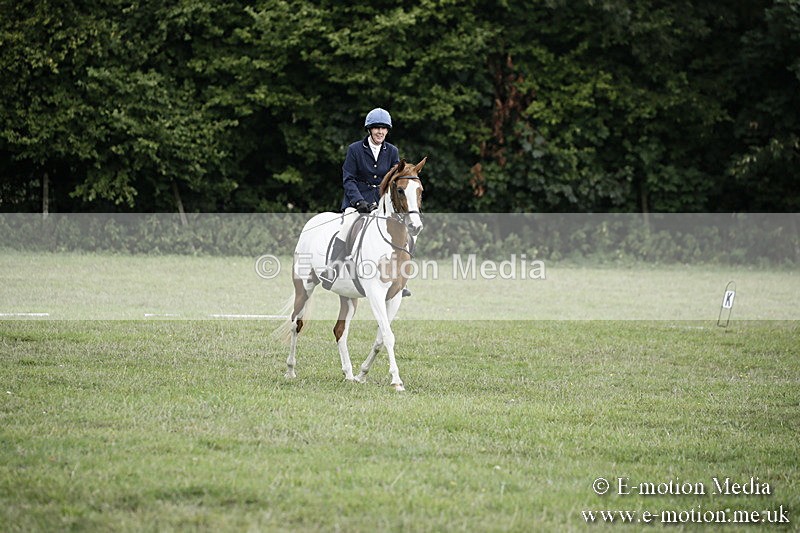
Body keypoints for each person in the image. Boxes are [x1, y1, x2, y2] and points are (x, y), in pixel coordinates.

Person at [319, 108, 411, 296]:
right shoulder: (355, 149)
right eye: (376, 128)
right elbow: (349, 179)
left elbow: (393, 182)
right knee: (347, 225)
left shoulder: (392, 151)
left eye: (384, 128)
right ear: (369, 129)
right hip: (357, 201)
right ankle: (332, 268)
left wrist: (387, 203)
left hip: (382, 204)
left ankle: (400, 280)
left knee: (403, 232)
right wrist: (359, 201)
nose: (380, 132)